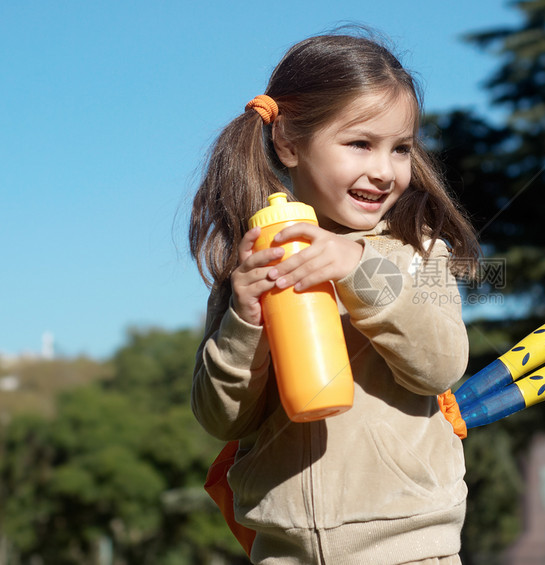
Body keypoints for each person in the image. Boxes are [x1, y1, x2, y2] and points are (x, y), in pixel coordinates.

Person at [188, 30, 481, 565]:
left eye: (401, 149)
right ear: (289, 144)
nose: (384, 170)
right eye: (360, 144)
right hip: (282, 554)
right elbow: (222, 419)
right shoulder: (251, 266)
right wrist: (243, 320)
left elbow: (441, 364)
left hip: (411, 552)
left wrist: (359, 267)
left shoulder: (420, 252)